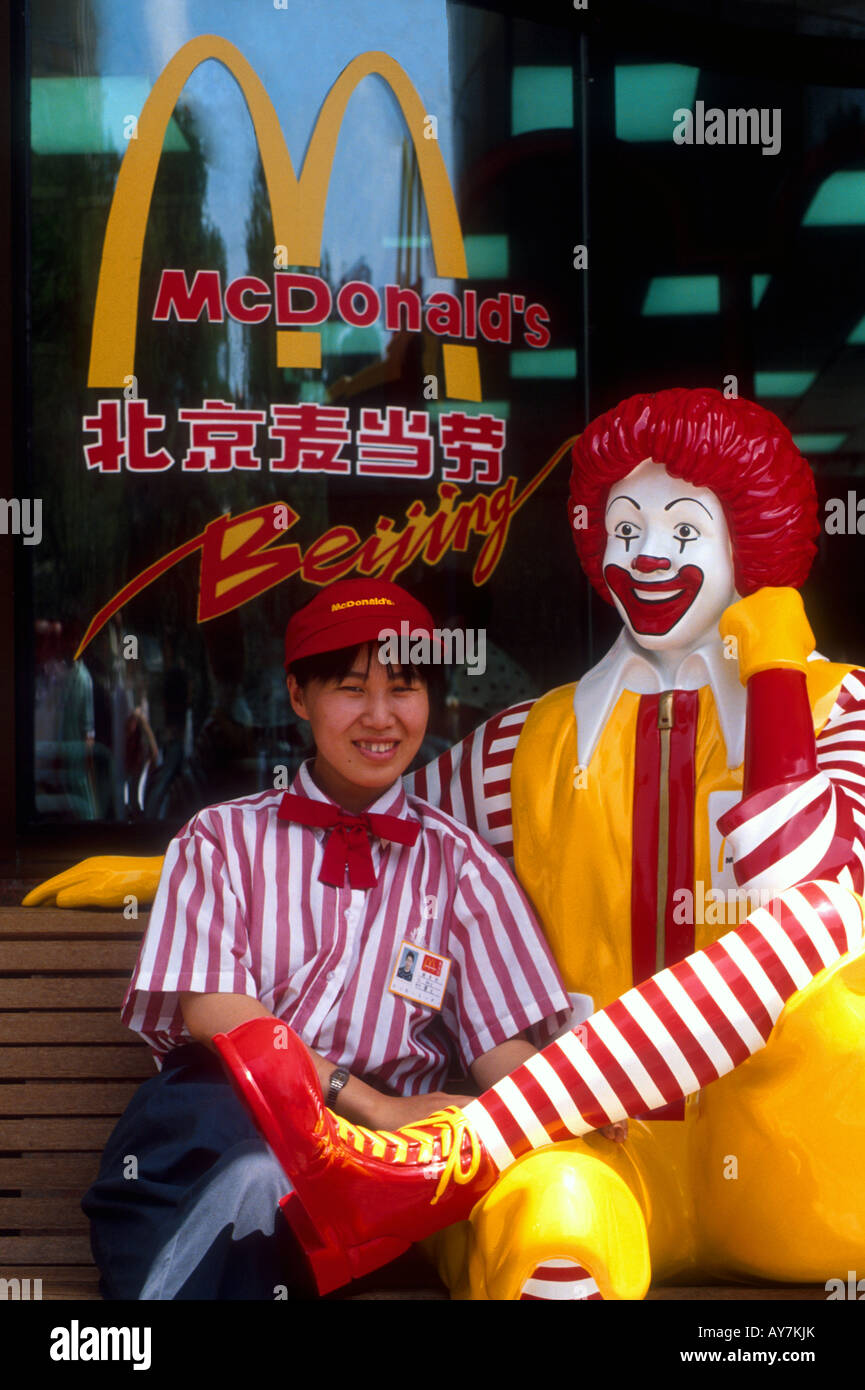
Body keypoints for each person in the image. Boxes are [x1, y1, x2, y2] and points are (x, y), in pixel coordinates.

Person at [80, 578, 574, 1300]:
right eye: (350, 688)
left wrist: (575, 1105)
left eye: (402, 688)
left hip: (368, 1167)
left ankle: (267, 1215)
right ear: (298, 697)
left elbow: (501, 1047)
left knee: (323, 1196)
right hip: (218, 1121)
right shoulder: (220, 840)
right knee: (240, 1155)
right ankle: (249, 1210)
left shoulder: (462, 865)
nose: (380, 717)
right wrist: (368, 1101)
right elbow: (215, 1014)